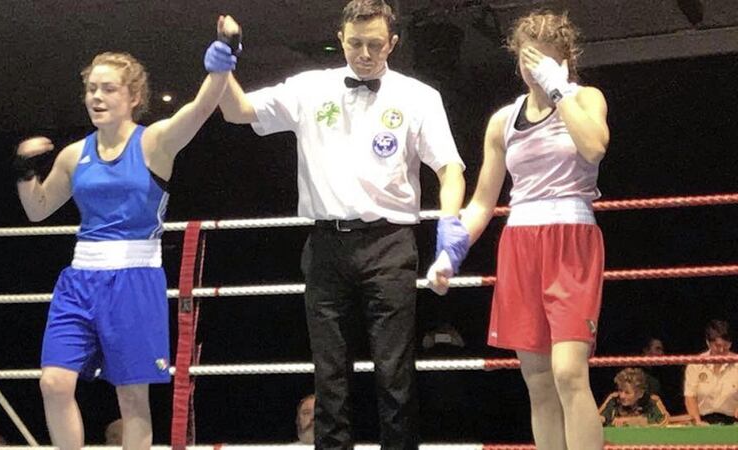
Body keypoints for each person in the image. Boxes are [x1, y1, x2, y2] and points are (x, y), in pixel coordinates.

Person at [218, 1, 467, 447]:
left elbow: (450, 169)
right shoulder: (310, 88)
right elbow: (236, 111)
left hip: (390, 244)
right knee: (328, 375)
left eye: (375, 44)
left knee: (395, 374)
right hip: (326, 245)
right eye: (356, 43)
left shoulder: (418, 97)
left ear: (393, 43)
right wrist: (223, 60)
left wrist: (450, 230)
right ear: (341, 39)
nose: (365, 54)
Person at [14, 16, 240, 450]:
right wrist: (24, 171)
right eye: (91, 89)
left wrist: (225, 52)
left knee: (132, 399)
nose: (96, 97)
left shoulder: (155, 142)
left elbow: (202, 106)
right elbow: (38, 209)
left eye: (108, 88)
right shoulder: (74, 154)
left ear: (134, 96)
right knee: (54, 383)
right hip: (80, 280)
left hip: (135, 279)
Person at [428, 10, 609, 450]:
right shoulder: (501, 122)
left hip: (571, 239)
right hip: (520, 242)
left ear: (565, 60)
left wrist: (560, 88)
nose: (535, 71)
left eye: (545, 61)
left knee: (570, 372)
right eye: (529, 61)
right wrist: (451, 251)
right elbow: (483, 201)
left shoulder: (587, 99)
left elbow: (595, 146)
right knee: (539, 380)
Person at [684, 319, 738, 425]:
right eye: (717, 346)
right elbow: (690, 396)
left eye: (726, 345)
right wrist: (698, 422)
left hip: (733, 423)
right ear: (708, 343)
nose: (722, 350)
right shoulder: (696, 364)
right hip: (703, 423)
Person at [598, 368, 670, 427]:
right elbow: (600, 418)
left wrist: (632, 421)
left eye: (627, 392)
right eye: (620, 390)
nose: (622, 396)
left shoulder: (652, 401)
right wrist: (600, 420)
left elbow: (664, 421)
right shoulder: (613, 399)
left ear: (640, 393)